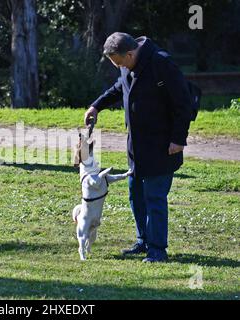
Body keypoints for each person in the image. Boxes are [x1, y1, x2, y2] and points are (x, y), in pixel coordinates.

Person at [84, 32, 192, 263]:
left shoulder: (161, 64)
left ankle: (157, 250)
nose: (119, 67)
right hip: (137, 146)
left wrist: (178, 139)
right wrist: (96, 106)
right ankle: (143, 241)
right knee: (136, 195)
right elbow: (118, 88)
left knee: (154, 197)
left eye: (120, 63)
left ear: (130, 54)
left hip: (163, 145)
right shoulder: (128, 65)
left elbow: (184, 103)